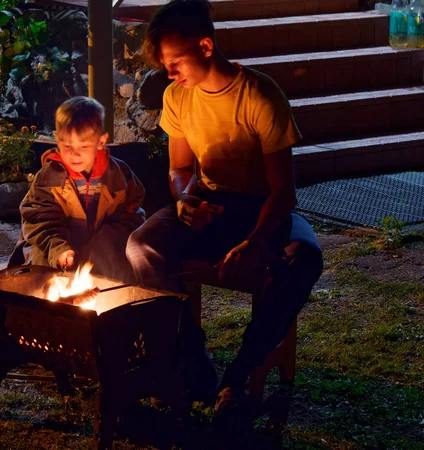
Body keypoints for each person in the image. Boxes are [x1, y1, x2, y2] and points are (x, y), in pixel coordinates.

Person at [126, 0, 323, 423]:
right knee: (141, 247)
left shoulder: (259, 95)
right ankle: (188, 363)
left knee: (304, 258)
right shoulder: (177, 96)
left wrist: (254, 242)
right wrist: (184, 199)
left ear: (206, 46)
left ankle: (239, 374)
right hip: (211, 205)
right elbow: (180, 169)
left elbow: (283, 191)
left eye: (176, 62)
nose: (170, 73)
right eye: (165, 64)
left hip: (260, 209)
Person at [8, 96, 145, 282]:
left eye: (84, 146)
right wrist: (58, 248)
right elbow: (38, 219)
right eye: (67, 146)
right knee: (43, 272)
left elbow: (131, 217)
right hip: (54, 248)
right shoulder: (48, 178)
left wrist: (101, 245)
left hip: (100, 248)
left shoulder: (120, 177)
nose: (75, 154)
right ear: (57, 140)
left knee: (122, 267)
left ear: (101, 142)